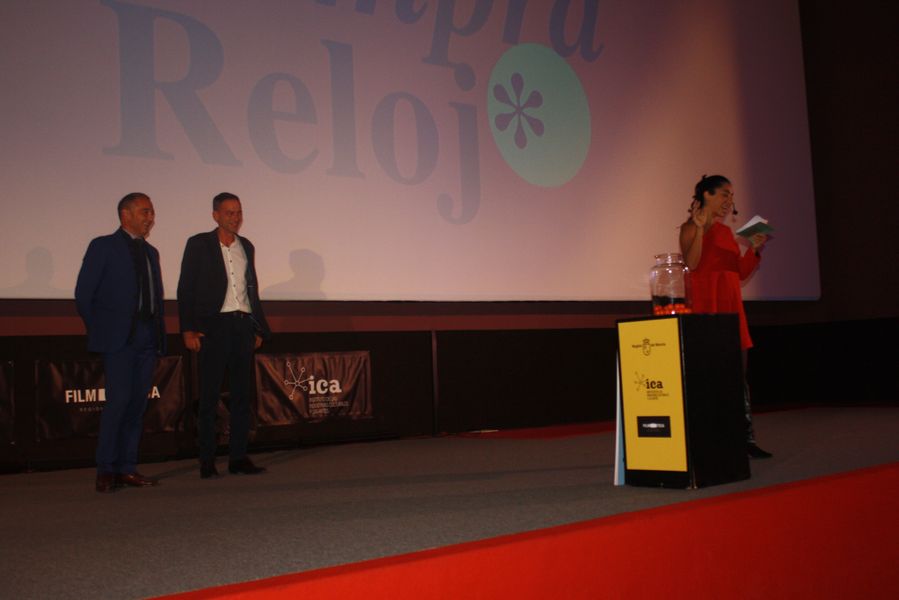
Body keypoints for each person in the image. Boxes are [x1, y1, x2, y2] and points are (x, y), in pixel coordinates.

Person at [75, 193, 165, 492]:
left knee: (137, 405)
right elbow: (84, 295)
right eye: (145, 212)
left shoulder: (151, 252)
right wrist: (102, 331)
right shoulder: (103, 246)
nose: (150, 218)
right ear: (125, 215)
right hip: (119, 340)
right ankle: (106, 469)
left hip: (147, 337)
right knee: (119, 402)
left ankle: (127, 468)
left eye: (151, 212)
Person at [177, 193, 271, 479]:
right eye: (229, 212)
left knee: (242, 396)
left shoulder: (247, 246)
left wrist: (257, 327)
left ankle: (238, 457)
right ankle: (207, 460)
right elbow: (186, 288)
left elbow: (251, 289)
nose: (235, 217)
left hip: (242, 325)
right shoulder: (199, 244)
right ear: (215, 215)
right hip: (213, 327)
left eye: (238, 212)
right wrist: (188, 328)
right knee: (209, 397)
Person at [679, 175, 773, 459]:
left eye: (731, 195)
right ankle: (710, 438)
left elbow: (740, 273)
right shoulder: (689, 227)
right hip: (707, 308)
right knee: (708, 375)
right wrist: (699, 229)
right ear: (706, 195)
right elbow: (691, 263)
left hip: (732, 308)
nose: (729, 200)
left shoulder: (725, 233)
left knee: (738, 377)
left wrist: (754, 248)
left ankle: (745, 438)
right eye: (724, 194)